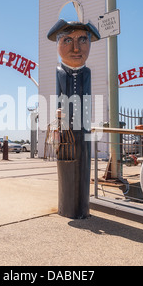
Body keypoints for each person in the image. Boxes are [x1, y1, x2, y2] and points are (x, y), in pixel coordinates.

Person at [47, 19, 100, 219]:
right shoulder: (59, 73)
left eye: (83, 40)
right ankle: (68, 206)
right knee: (67, 166)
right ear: (59, 44)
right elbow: (60, 99)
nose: (76, 48)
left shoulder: (86, 73)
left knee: (83, 164)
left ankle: (81, 207)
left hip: (83, 130)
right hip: (66, 131)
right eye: (68, 40)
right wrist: (60, 113)